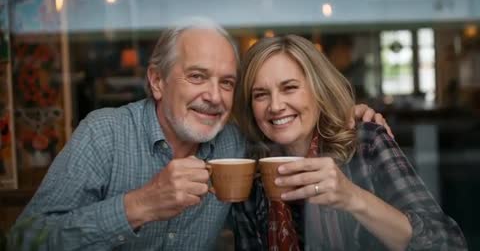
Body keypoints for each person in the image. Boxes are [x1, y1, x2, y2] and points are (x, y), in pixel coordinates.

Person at [10, 19, 387, 251]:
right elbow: (23, 240)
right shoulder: (104, 134)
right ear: (157, 81)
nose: (213, 95)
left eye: (226, 82)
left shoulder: (234, 143)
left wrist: (345, 116)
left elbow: (286, 127)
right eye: (196, 76)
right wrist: (139, 205)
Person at [231, 35, 466, 251]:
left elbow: (448, 243)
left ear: (318, 90)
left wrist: (352, 197)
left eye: (290, 88)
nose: (275, 105)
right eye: (260, 94)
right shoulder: (252, 174)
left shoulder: (366, 144)